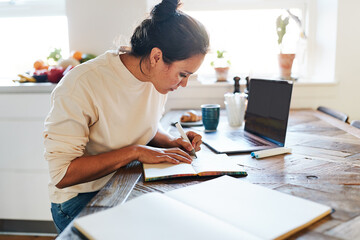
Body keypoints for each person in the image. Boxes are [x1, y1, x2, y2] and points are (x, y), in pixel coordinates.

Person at [43, 0, 209, 233]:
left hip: (125, 178)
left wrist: (169, 142)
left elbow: (139, 124)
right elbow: (62, 174)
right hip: (81, 197)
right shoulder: (82, 84)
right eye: (183, 74)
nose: (184, 83)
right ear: (156, 57)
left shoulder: (156, 79)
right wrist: (136, 151)